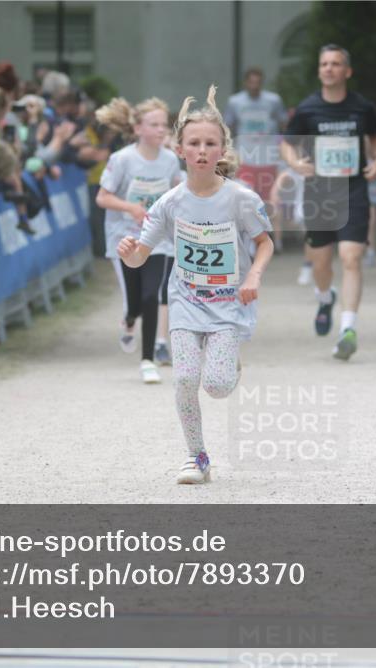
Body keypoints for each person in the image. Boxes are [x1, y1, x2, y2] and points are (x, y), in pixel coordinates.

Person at [117, 85, 273, 484]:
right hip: (185, 302)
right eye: (194, 143)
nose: (202, 150)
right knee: (186, 378)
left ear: (222, 150)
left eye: (210, 143)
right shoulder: (169, 203)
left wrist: (253, 275)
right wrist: (129, 253)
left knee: (217, 386)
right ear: (180, 150)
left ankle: (230, 362)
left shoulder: (240, 199)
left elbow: (265, 242)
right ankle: (196, 456)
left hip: (228, 304)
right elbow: (140, 256)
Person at [280, 44, 376, 361]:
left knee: (351, 258)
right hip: (319, 193)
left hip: (353, 191)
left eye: (336, 64)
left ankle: (348, 329)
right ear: (319, 70)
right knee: (321, 264)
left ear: (347, 71)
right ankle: (325, 298)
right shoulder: (307, 109)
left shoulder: (362, 108)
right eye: (324, 63)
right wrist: (295, 163)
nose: (329, 68)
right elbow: (287, 143)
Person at [95, 97, 181, 382]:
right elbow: (102, 197)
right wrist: (131, 208)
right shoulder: (122, 159)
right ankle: (129, 319)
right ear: (138, 128)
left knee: (151, 295)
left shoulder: (170, 160)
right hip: (124, 239)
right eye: (153, 124)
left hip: (157, 240)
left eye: (164, 125)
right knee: (134, 302)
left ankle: (147, 360)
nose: (161, 130)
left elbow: (176, 192)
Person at [223, 67, 288, 248]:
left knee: (273, 199)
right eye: (251, 82)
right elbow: (228, 127)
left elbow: (283, 122)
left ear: (261, 83)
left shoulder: (273, 100)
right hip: (245, 157)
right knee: (246, 199)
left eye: (257, 82)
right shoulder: (235, 101)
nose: (254, 86)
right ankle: (249, 240)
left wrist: (282, 145)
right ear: (245, 83)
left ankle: (277, 241)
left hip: (268, 156)